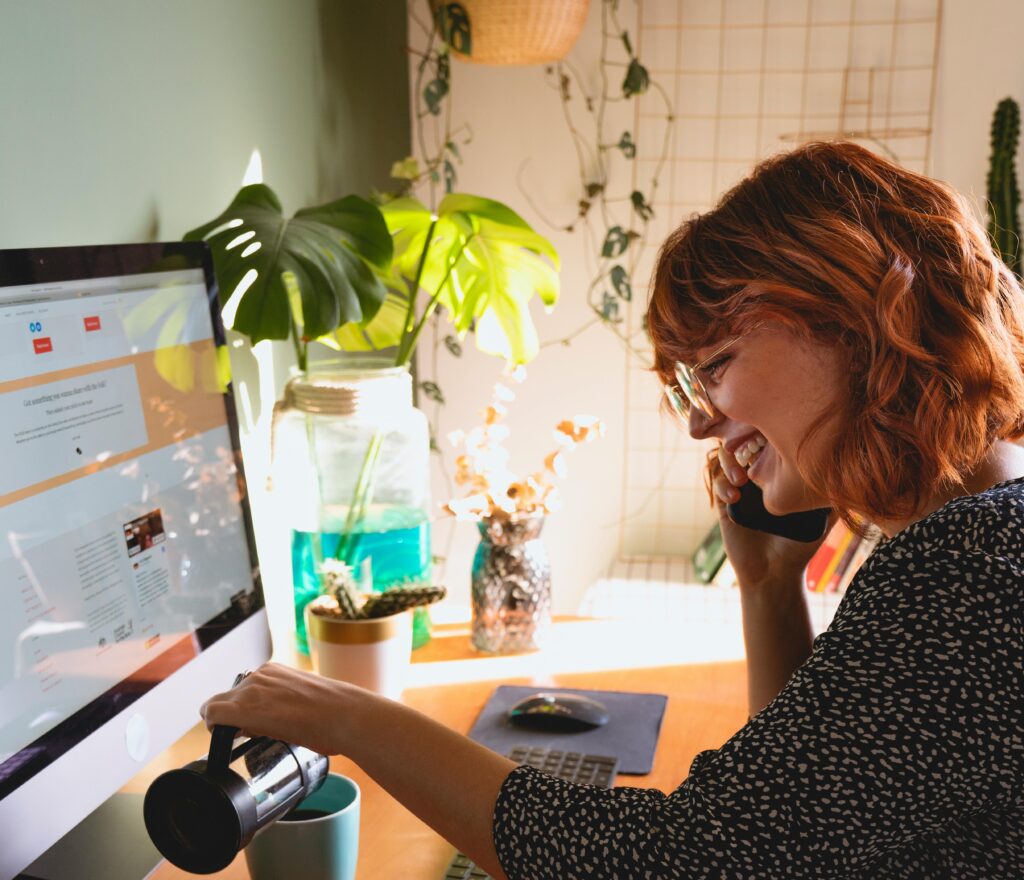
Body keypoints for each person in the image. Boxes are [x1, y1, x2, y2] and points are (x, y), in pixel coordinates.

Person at [201, 141, 1024, 878]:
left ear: (852, 325)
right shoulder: (978, 534)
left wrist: (347, 714)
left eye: (719, 364)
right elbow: (793, 830)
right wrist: (768, 584)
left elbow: (674, 862)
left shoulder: (968, 576)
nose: (700, 419)